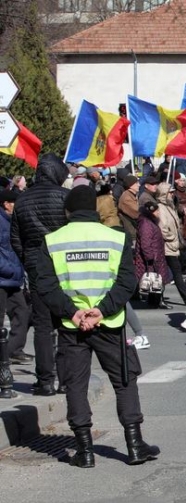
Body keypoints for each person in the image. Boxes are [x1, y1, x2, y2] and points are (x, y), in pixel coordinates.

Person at [32, 185, 159, 468]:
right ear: (96, 209)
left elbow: (45, 284)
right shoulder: (116, 237)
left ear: (68, 211)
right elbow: (127, 281)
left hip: (71, 325)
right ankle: (135, 445)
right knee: (125, 381)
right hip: (109, 323)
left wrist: (74, 313)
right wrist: (102, 310)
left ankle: (84, 450)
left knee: (75, 385)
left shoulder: (53, 240)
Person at [10, 154, 70, 396]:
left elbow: (16, 237)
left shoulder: (22, 200)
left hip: (37, 268)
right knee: (67, 323)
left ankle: (45, 380)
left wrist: (29, 260)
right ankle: (66, 380)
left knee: (43, 326)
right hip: (65, 267)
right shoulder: (66, 198)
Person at [0, 190, 32, 365]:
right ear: (6, 204)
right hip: (4, 277)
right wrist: (9, 269)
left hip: (13, 278)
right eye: (15, 203)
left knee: (22, 312)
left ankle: (13, 350)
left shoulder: (14, 222)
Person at [134, 201, 172, 311]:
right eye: (156, 210)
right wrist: (150, 257)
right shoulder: (146, 224)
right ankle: (158, 301)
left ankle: (155, 301)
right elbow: (145, 243)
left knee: (155, 279)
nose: (159, 212)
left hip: (156, 256)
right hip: (153, 258)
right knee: (156, 279)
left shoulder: (149, 222)